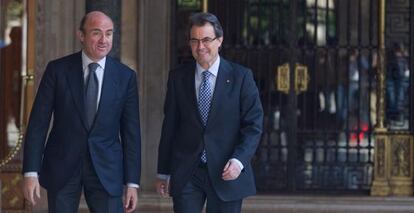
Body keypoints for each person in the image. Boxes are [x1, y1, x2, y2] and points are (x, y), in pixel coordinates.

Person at [22, 11, 141, 213]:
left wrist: (132, 183)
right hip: (63, 167)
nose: (104, 40)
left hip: (107, 170)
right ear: (81, 35)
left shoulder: (125, 77)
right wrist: (31, 172)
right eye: (97, 33)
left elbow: (131, 133)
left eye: (109, 33)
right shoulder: (57, 70)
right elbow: (38, 124)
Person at [155, 12, 263, 213]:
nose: (200, 46)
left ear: (219, 40)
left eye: (206, 40)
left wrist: (239, 160)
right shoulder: (178, 78)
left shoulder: (241, 77)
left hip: (226, 171)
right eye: (194, 40)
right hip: (188, 171)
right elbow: (170, 126)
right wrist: (163, 171)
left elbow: (253, 125)